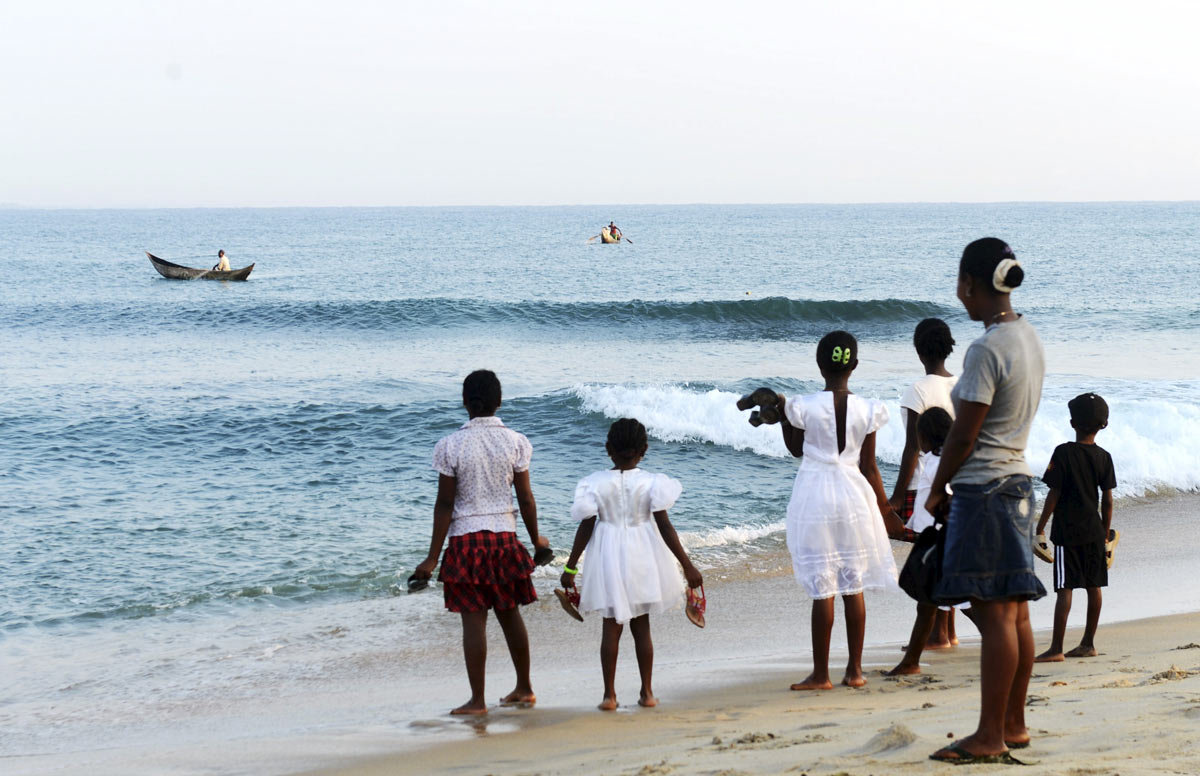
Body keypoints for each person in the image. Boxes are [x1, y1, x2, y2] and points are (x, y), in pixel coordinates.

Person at [926, 238, 1045, 764]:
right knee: (1014, 614)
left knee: (993, 615)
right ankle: (1014, 724)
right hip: (1018, 483)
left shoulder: (985, 348)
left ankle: (989, 735)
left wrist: (937, 487)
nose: (960, 296)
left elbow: (964, 435)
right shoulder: (1027, 337)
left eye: (960, 285)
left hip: (986, 490)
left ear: (970, 284)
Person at [769, 330, 904, 691]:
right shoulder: (868, 409)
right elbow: (870, 466)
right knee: (853, 582)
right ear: (855, 365)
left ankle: (820, 674)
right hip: (854, 494)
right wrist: (886, 508)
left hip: (815, 494)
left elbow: (796, 449)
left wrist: (784, 417)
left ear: (818, 364)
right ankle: (855, 671)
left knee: (823, 585)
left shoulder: (804, 405)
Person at [411, 370, 550, 715]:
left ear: (464, 403)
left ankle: (477, 701)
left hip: (464, 545)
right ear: (499, 402)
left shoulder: (450, 445)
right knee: (509, 615)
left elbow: (445, 505)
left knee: (474, 622)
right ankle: (525, 687)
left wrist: (431, 559)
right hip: (503, 540)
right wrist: (537, 541)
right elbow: (526, 498)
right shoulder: (515, 441)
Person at [559, 418, 703, 711]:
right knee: (642, 626)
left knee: (610, 627)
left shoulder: (593, 483)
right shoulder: (652, 482)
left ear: (608, 448)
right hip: (643, 554)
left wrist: (570, 568)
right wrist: (687, 565)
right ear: (645, 449)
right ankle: (647, 692)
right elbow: (665, 528)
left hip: (607, 555)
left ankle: (609, 696)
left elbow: (585, 528)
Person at [888, 318, 961, 652]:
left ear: (918, 350)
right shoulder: (962, 385)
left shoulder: (918, 390)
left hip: (925, 484)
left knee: (930, 555)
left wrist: (898, 494)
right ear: (948, 348)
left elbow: (911, 448)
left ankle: (938, 635)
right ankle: (947, 631)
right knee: (945, 551)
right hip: (956, 480)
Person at [1034, 393, 1116, 663]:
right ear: (1103, 425)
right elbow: (1107, 499)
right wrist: (1106, 533)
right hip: (1094, 531)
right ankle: (1088, 644)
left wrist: (1040, 527)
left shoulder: (1063, 452)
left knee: (1064, 589)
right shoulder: (1104, 457)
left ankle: (1056, 648)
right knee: (1094, 587)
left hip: (1067, 533)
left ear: (1072, 423)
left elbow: (1054, 493)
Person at [886, 406, 967, 676]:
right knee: (928, 600)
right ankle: (911, 661)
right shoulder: (951, 457)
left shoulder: (936, 462)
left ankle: (1005, 643)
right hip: (944, 534)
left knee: (965, 602)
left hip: (943, 536)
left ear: (926, 438)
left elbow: (945, 496)